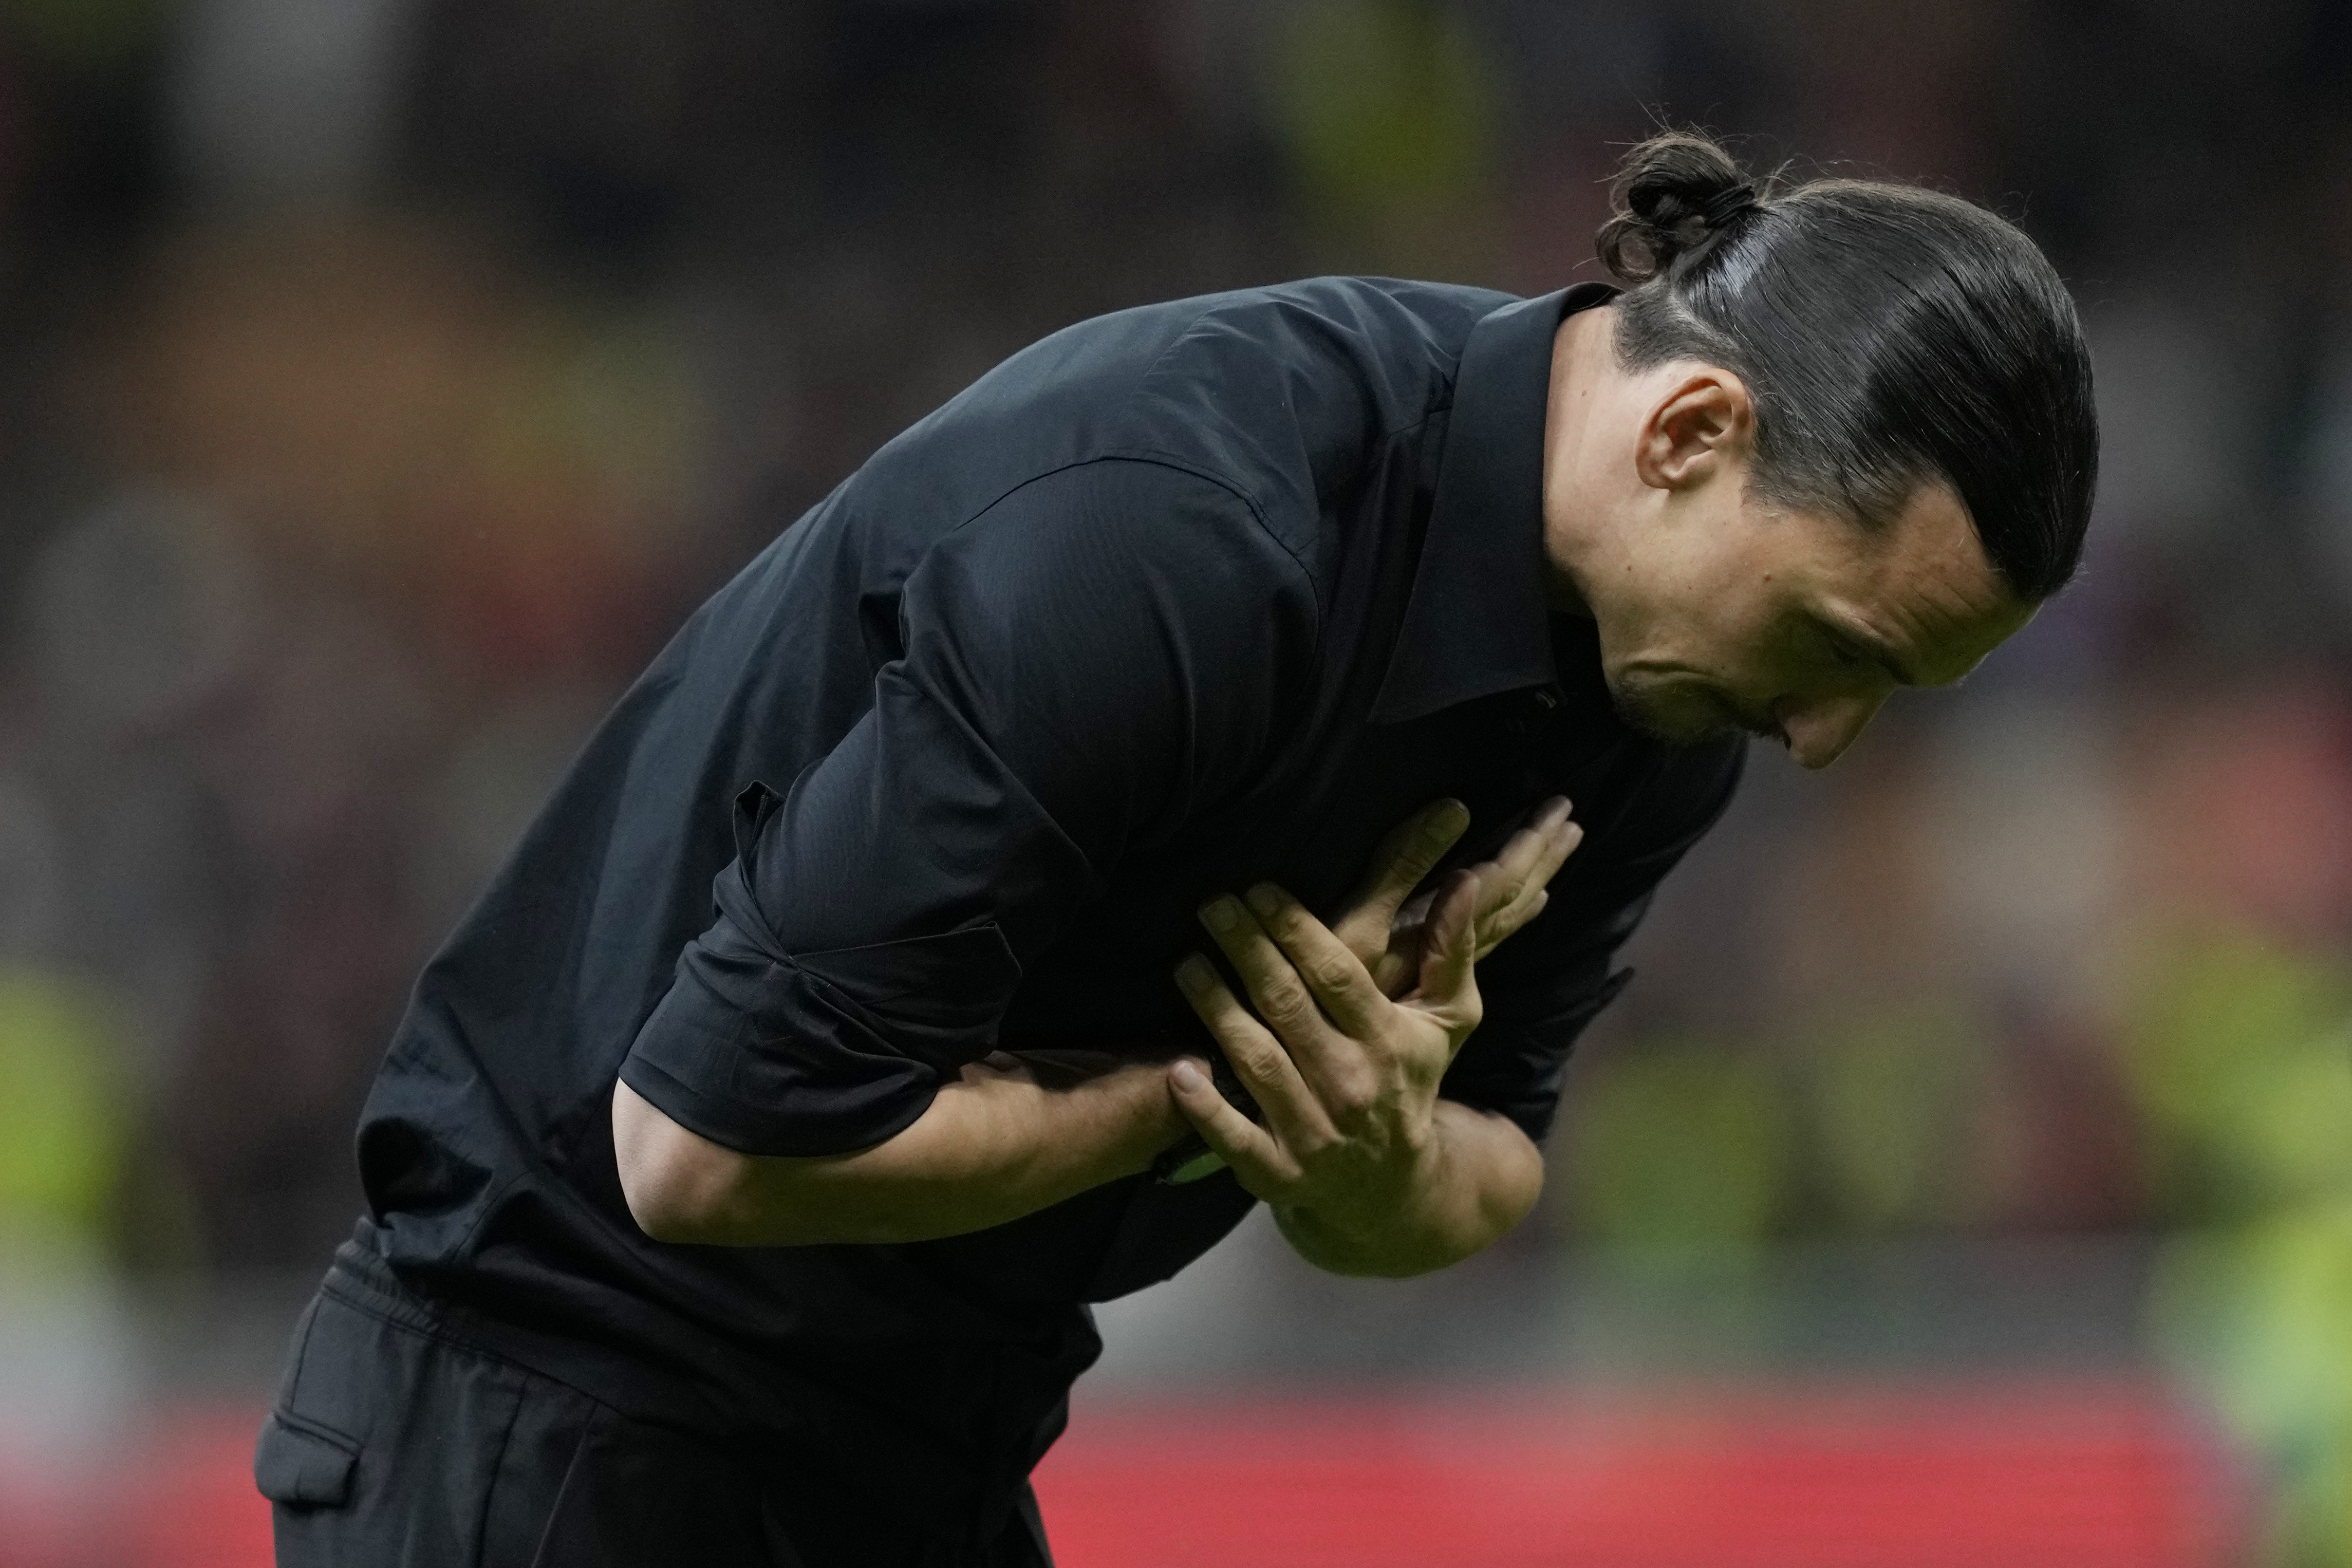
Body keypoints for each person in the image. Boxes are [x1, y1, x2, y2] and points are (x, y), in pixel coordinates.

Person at [254, 130, 2097, 1566]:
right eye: (1843, 649)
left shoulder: (1656, 701)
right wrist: (1198, 1092)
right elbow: (702, 1146)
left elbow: (1480, 1171)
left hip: (927, 1451)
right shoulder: (1183, 534)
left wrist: (1361, 1140)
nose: (1824, 735)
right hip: (551, 1408)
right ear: (1692, 430)